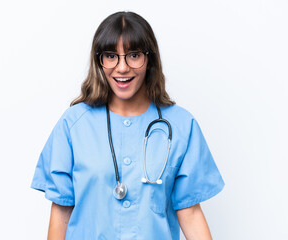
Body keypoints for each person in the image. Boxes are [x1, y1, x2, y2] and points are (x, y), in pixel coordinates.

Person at [31, 11, 225, 240]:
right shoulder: (73, 124)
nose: (122, 68)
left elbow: (190, 212)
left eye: (133, 55)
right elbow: (62, 210)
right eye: (111, 56)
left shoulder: (182, 126)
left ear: (149, 59)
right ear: (99, 61)